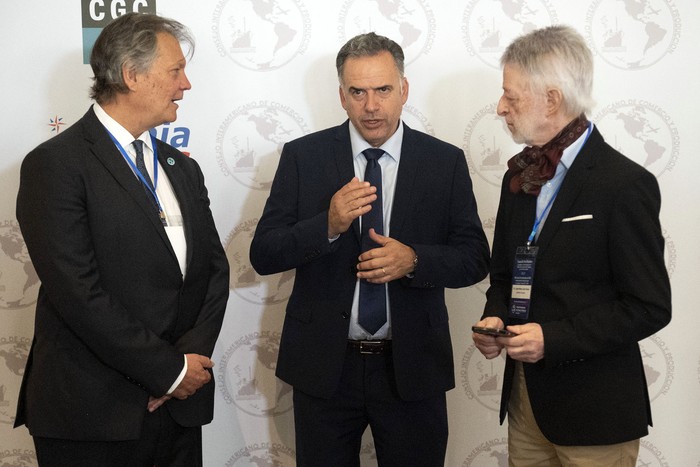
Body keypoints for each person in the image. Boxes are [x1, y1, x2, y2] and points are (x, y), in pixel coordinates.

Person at [250, 32, 489, 466]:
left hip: (412, 368)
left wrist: (414, 260)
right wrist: (326, 225)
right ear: (341, 96)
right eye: (358, 92)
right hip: (325, 369)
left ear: (404, 90)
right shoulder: (304, 157)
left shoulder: (444, 161)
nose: (371, 106)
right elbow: (264, 253)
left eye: (382, 90)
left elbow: (474, 257)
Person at [14, 12, 230, 467]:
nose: (186, 84)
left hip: (179, 412)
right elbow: (78, 293)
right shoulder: (55, 165)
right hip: (93, 415)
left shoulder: (182, 168)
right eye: (175, 71)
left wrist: (187, 366)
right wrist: (167, 371)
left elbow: (213, 272)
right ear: (132, 75)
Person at [471, 25, 672, 466]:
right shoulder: (518, 177)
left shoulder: (624, 185)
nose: (500, 107)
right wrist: (495, 315)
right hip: (526, 405)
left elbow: (649, 306)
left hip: (596, 413)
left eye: (511, 96)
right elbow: (505, 274)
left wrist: (553, 339)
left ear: (552, 99)